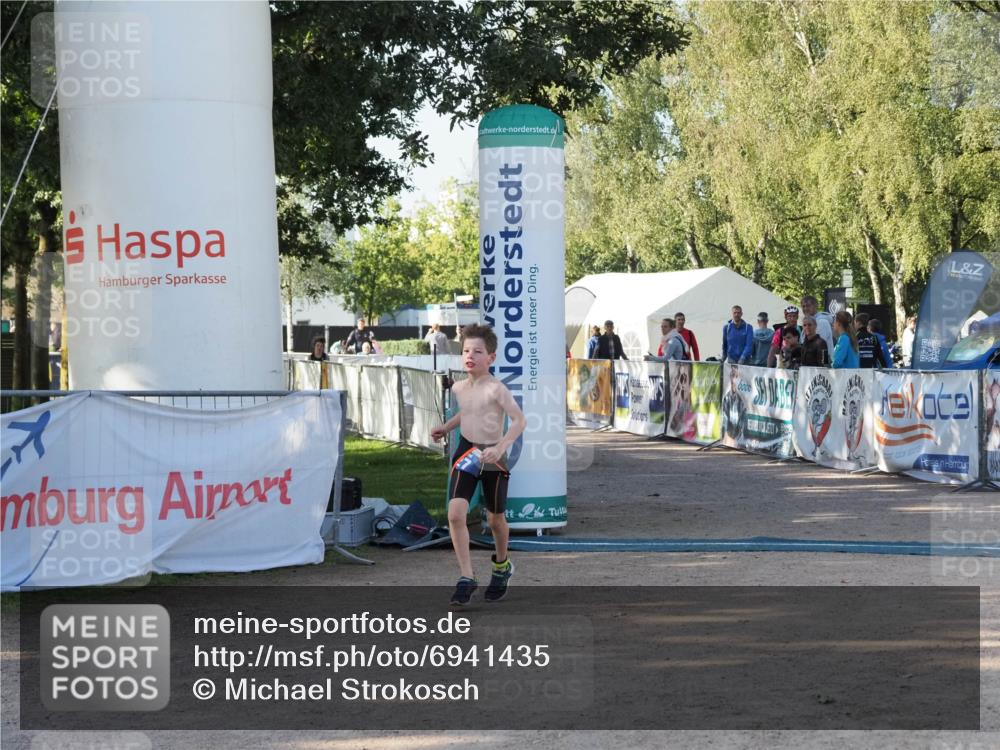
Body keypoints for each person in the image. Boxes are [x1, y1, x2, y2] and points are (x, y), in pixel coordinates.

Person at [431, 324, 526, 605]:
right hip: (466, 452)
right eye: (466, 351)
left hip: (493, 455)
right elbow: (468, 411)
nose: (470, 355)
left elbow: (520, 421)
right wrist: (446, 427)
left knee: (495, 518)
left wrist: (500, 448)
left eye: (477, 351)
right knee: (456, 513)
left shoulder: (497, 389)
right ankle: (467, 576)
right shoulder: (461, 386)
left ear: (491, 358)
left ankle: (501, 565)